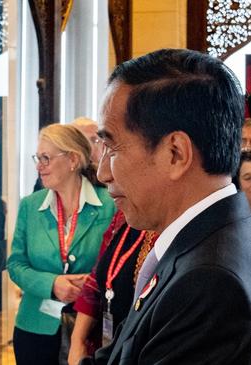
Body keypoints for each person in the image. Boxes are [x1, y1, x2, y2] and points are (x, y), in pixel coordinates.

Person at [82, 48, 251, 364]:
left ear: (176, 153)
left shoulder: (209, 281)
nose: (102, 172)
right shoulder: (203, 239)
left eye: (112, 148)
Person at [7, 123, 116, 365]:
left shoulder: (109, 205)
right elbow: (16, 264)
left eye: (46, 158)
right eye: (38, 158)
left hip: (90, 328)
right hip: (34, 328)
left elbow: (116, 263)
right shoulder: (30, 205)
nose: (38, 166)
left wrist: (89, 284)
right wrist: (52, 284)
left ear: (73, 160)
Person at [67, 211, 157, 365]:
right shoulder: (123, 216)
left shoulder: (168, 226)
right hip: (105, 346)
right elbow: (97, 276)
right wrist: (77, 340)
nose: (107, 186)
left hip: (143, 350)